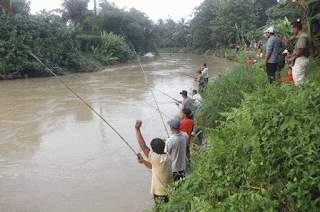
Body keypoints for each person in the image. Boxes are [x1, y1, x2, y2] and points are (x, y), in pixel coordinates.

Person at [135, 120, 174, 204]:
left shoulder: (155, 158)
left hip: (160, 193)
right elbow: (153, 166)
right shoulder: (168, 157)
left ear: (153, 150)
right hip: (169, 190)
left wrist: (137, 129)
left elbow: (143, 146)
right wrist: (144, 161)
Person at [289, 20, 312, 86]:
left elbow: (301, 48)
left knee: (298, 79)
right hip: (303, 58)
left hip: (301, 58)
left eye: (292, 28)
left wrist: (294, 57)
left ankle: (300, 93)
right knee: (302, 77)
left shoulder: (302, 36)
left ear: (296, 28)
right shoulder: (304, 35)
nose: (292, 30)